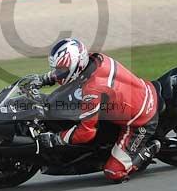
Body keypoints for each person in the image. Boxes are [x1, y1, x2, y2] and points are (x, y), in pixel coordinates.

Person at [23, 38, 161, 183]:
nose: (58, 73)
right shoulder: (93, 58)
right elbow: (72, 72)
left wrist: (55, 138)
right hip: (138, 92)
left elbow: (86, 132)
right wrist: (44, 79)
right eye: (56, 69)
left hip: (140, 120)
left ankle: (151, 148)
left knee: (113, 172)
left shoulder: (93, 89)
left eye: (61, 70)